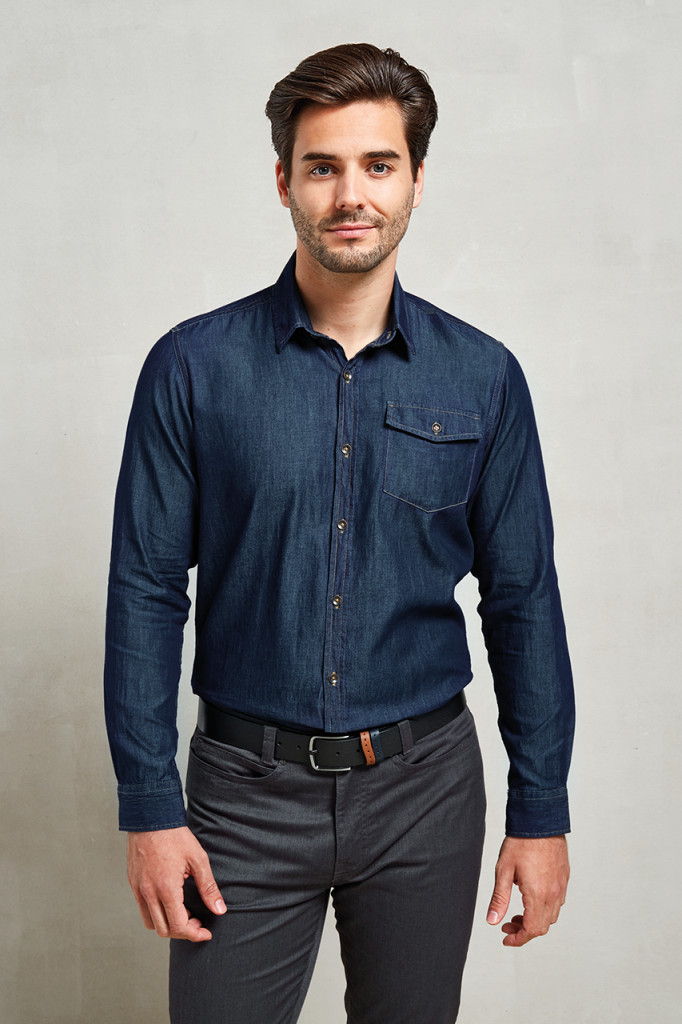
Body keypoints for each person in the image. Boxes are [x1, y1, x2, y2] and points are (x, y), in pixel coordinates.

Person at [104, 43, 574, 1024]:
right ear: (284, 182)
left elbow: (522, 597)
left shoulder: (483, 376)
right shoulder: (191, 369)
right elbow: (146, 589)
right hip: (241, 797)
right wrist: (149, 804)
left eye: (377, 165)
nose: (350, 194)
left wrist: (541, 810)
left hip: (424, 795)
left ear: (415, 181)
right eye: (322, 167)